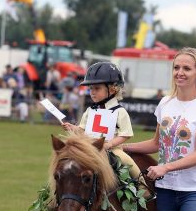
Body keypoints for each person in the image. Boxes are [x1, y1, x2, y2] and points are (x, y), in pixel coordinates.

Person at [123, 47, 196, 211]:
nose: (180, 72)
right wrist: (122, 148)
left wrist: (164, 168)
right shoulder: (165, 103)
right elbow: (156, 143)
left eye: (187, 68)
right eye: (176, 67)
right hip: (166, 189)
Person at [61, 62, 151, 197]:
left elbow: (125, 134)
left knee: (126, 160)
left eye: (96, 88)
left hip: (112, 149)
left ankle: (142, 186)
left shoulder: (119, 111)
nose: (92, 92)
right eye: (90, 89)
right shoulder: (90, 110)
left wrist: (109, 144)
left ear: (113, 89)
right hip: (90, 150)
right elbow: (83, 130)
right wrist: (73, 128)